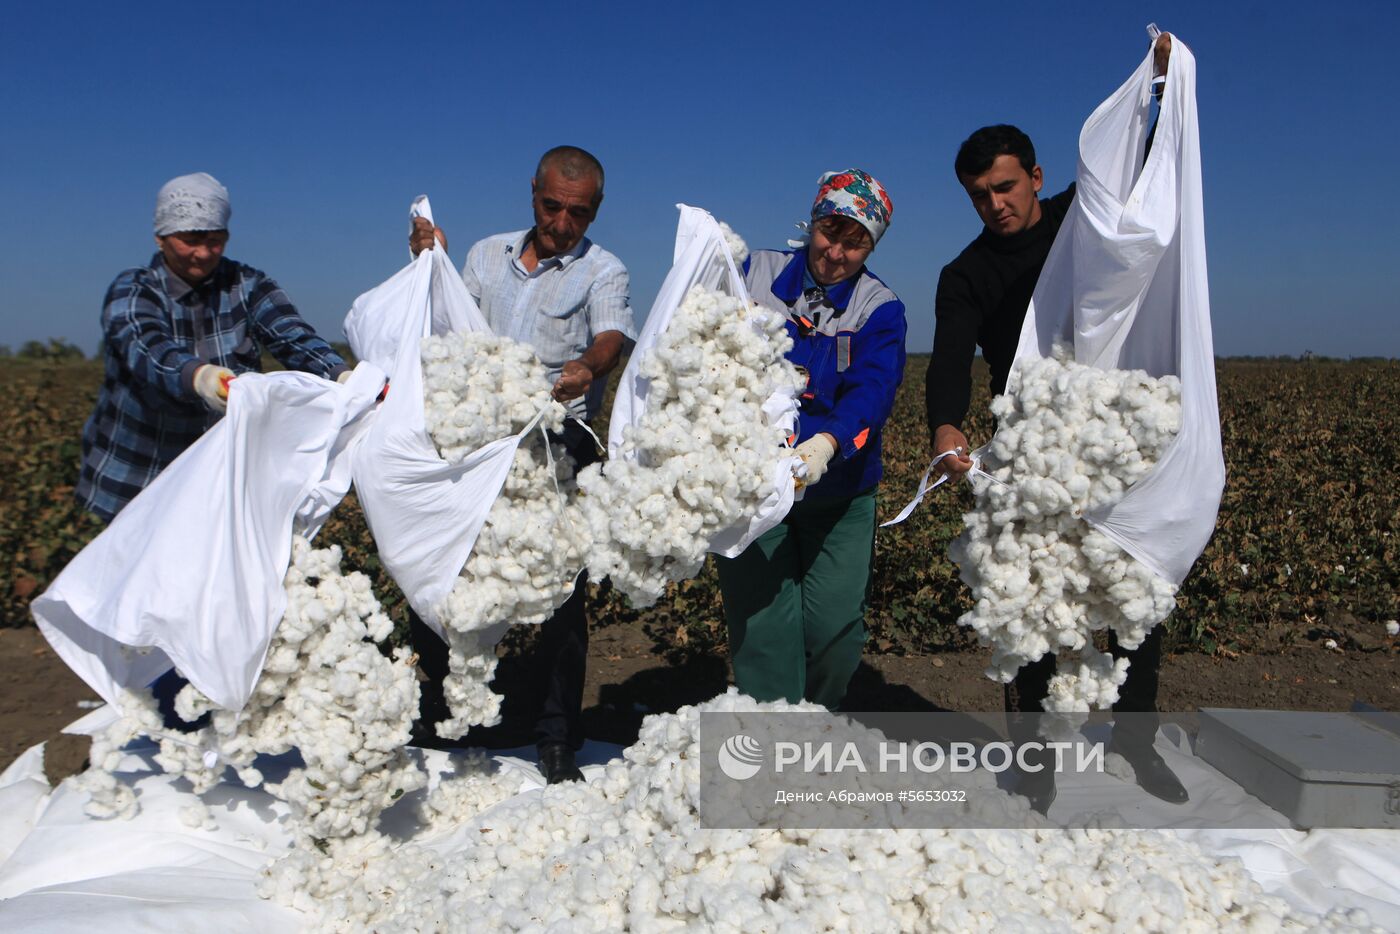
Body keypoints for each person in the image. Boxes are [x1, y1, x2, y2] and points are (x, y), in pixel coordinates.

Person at [924, 34, 1183, 813]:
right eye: (979, 195)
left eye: (1005, 187)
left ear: (1037, 178)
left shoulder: (1082, 218)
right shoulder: (965, 274)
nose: (995, 205)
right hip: (1031, 448)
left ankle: (1136, 745)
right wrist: (946, 429)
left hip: (1108, 438)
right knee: (1032, 600)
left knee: (1132, 585)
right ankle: (1032, 763)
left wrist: (1161, 92)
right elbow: (948, 362)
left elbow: (1138, 170)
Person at [408, 145, 635, 783]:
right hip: (479, 439)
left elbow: (612, 335)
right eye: (552, 207)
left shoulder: (604, 270)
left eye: (579, 214)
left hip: (557, 440)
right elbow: (449, 321)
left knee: (560, 593)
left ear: (596, 211)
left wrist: (589, 367)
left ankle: (556, 734)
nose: (563, 224)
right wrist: (431, 268)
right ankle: (461, 707)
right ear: (532, 191)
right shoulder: (483, 255)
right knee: (443, 572)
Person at [716, 169, 907, 710]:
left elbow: (873, 392)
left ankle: (820, 718)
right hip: (755, 486)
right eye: (830, 231)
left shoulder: (879, 308)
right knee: (763, 628)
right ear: (813, 221)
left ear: (871, 245)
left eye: (856, 242)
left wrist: (826, 444)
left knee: (834, 632)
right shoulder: (755, 272)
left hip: (837, 493)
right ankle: (778, 744)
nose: (837, 251)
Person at [76, 172, 349, 524]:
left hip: (218, 479)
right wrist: (201, 378)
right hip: (136, 479)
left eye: (215, 241)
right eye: (190, 240)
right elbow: (145, 346)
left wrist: (343, 375)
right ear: (161, 238)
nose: (203, 253)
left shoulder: (247, 286)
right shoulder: (134, 290)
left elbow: (293, 336)